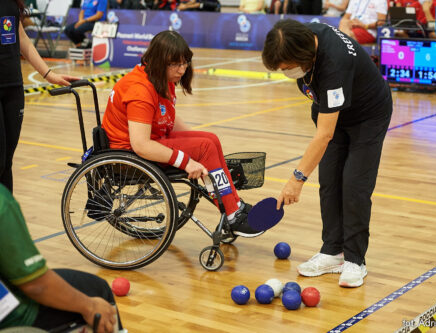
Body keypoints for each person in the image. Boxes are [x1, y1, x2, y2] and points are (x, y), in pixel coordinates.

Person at [262, 20, 392, 287]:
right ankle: (332, 251)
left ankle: (355, 260)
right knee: (330, 183)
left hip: (367, 116)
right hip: (332, 109)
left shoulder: (334, 64)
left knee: (355, 186)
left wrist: (296, 179)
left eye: (287, 67)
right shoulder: (305, 35)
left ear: (304, 55)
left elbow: (324, 135)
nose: (285, 72)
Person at [102, 31, 262, 238]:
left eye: (185, 63)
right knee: (205, 147)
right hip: (128, 157)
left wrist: (198, 145)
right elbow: (141, 145)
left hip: (148, 143)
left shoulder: (159, 78)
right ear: (159, 62)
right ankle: (232, 214)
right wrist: (187, 161)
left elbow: (169, 121)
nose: (182, 69)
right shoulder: (140, 90)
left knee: (209, 140)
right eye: (175, 64)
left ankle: (234, 204)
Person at [0, 184, 124, 333]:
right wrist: (90, 306)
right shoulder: (3, 203)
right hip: (12, 317)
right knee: (98, 291)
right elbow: (36, 286)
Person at [0, 0, 77, 193]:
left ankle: (7, 218)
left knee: (6, 162)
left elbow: (22, 39)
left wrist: (48, 74)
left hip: (13, 87)